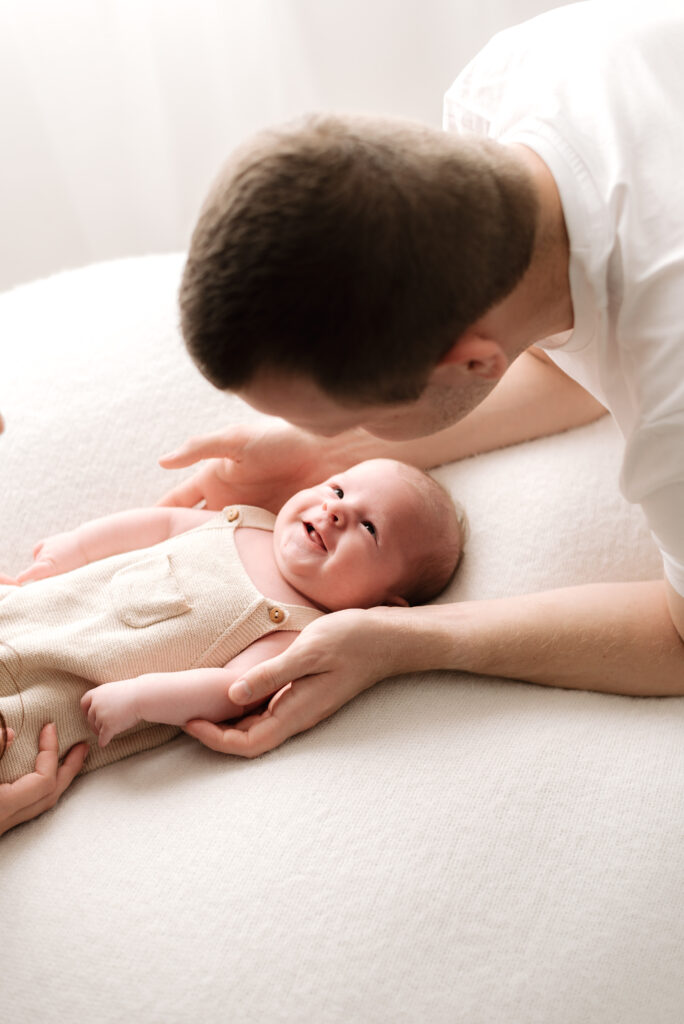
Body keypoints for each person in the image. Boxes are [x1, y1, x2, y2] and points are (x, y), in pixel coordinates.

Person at [154, 1, 684, 762]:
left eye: (337, 421)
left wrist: (400, 639)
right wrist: (324, 456)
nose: (333, 440)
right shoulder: (511, 82)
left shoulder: (674, 400)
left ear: (470, 362)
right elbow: (575, 356)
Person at [0, 459, 464, 810]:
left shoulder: (299, 629)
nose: (337, 510)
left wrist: (141, 698)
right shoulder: (246, 522)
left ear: (384, 606)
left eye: (369, 527)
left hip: (63, 694)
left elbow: (231, 692)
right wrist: (77, 546)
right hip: (41, 608)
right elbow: (160, 525)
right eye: (338, 488)